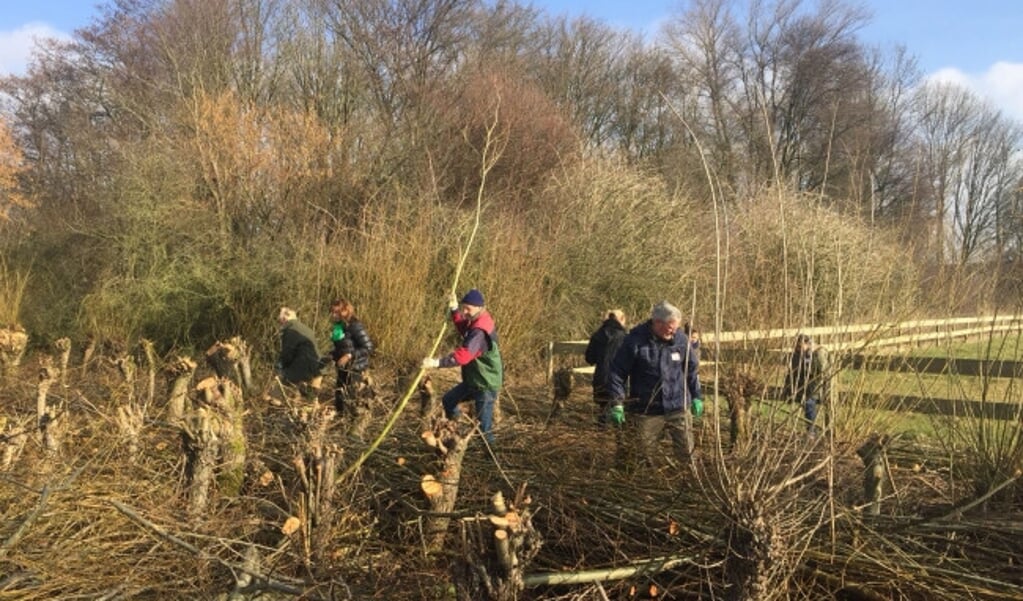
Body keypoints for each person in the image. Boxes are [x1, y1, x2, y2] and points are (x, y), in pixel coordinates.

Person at [607, 301, 702, 468]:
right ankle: (644, 484)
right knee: (642, 456)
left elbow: (691, 370)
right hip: (647, 409)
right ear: (657, 323)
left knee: (687, 454)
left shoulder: (680, 340)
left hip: (678, 406)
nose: (673, 332)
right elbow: (617, 372)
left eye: (675, 328)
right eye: (670, 328)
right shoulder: (635, 341)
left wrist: (696, 396)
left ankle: (689, 481)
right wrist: (617, 402)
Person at [421, 288, 503, 445]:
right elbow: (463, 327)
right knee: (449, 401)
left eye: (468, 308)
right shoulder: (476, 320)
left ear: (479, 307)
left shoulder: (480, 331)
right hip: (474, 380)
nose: (464, 311)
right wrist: (454, 309)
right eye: (463, 307)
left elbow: (463, 356)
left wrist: (437, 363)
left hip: (485, 383)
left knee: (484, 429)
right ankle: (455, 433)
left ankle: (491, 457)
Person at [327, 299, 375, 417]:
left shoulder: (355, 326)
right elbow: (343, 348)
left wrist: (349, 356)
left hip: (356, 370)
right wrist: (331, 355)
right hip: (343, 369)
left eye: (336, 312)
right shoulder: (339, 328)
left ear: (345, 311)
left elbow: (368, 347)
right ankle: (340, 423)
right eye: (332, 312)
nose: (333, 315)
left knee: (355, 403)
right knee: (340, 399)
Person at [782, 333, 831, 437]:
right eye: (796, 346)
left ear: (807, 344)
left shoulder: (818, 353)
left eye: (800, 346)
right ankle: (811, 430)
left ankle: (811, 431)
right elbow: (792, 371)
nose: (798, 348)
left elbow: (824, 371)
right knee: (807, 404)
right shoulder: (797, 355)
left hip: (814, 385)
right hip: (801, 385)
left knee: (809, 403)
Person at [584, 309, 627, 426]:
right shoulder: (625, 337)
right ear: (622, 320)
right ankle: (620, 439)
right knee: (619, 411)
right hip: (619, 380)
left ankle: (601, 438)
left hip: (600, 378)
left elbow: (589, 358)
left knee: (603, 411)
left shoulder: (597, 335)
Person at [276, 307, 322, 396]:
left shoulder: (290, 330)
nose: (280, 324)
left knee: (280, 382)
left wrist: (282, 368)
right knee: (310, 398)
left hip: (304, 367)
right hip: (318, 366)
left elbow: (287, 353)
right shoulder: (305, 328)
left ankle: (276, 400)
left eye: (280, 320)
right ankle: (309, 403)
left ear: (285, 318)